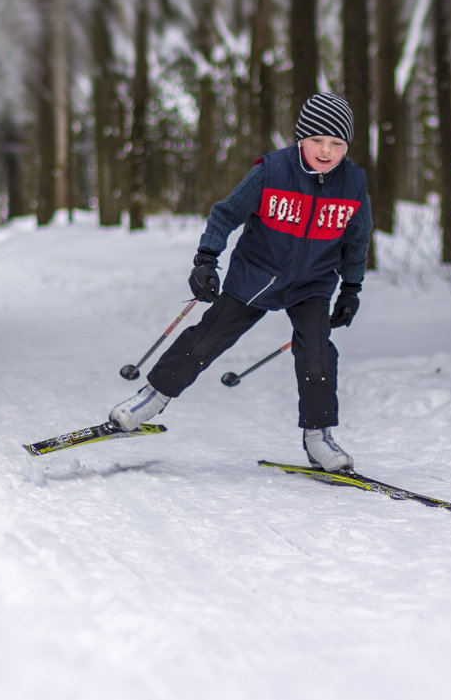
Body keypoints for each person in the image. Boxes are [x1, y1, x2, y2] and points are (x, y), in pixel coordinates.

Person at [108, 93, 371, 472]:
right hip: (257, 275)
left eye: (337, 144)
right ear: (300, 139)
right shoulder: (272, 171)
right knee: (209, 337)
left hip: (313, 282)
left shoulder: (354, 182)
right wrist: (206, 259)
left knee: (317, 353)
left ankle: (319, 436)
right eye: (317, 141)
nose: (326, 151)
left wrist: (351, 288)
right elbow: (225, 214)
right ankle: (151, 397)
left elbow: (358, 237)